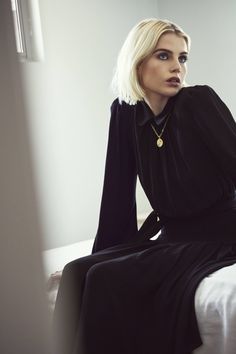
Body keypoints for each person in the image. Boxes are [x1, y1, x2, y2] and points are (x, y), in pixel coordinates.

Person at [53, 18, 236, 354]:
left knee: (104, 279)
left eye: (182, 58)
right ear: (137, 61)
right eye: (163, 56)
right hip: (172, 237)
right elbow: (116, 197)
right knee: (77, 271)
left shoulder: (198, 102)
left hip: (220, 234)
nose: (177, 67)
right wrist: (105, 252)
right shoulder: (125, 113)